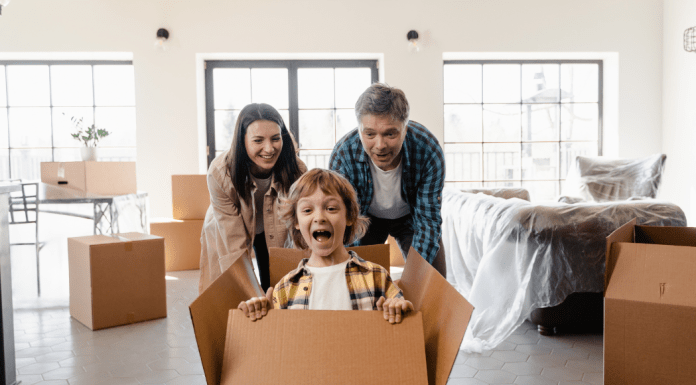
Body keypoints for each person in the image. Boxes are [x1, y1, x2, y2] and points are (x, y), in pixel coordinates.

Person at [238, 168, 413, 324]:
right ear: (296, 222)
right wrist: (261, 314)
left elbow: (402, 309)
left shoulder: (377, 277)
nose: (319, 217)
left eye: (330, 208)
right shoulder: (285, 289)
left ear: (349, 217)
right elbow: (277, 343)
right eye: (307, 210)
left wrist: (397, 306)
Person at [329, 83, 447, 277]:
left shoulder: (428, 150)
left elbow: (428, 220)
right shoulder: (343, 155)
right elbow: (343, 219)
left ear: (405, 127)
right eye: (370, 134)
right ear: (359, 129)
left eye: (390, 134)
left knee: (432, 283)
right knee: (357, 282)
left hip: (412, 218)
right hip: (365, 219)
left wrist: (416, 278)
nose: (380, 145)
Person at [199, 103, 306, 294]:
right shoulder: (220, 173)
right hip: (228, 228)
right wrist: (255, 296)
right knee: (235, 290)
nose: (269, 148)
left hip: (274, 227)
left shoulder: (296, 169)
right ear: (242, 141)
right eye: (258, 140)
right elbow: (235, 249)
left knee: (274, 284)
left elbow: (301, 227)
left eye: (275, 139)